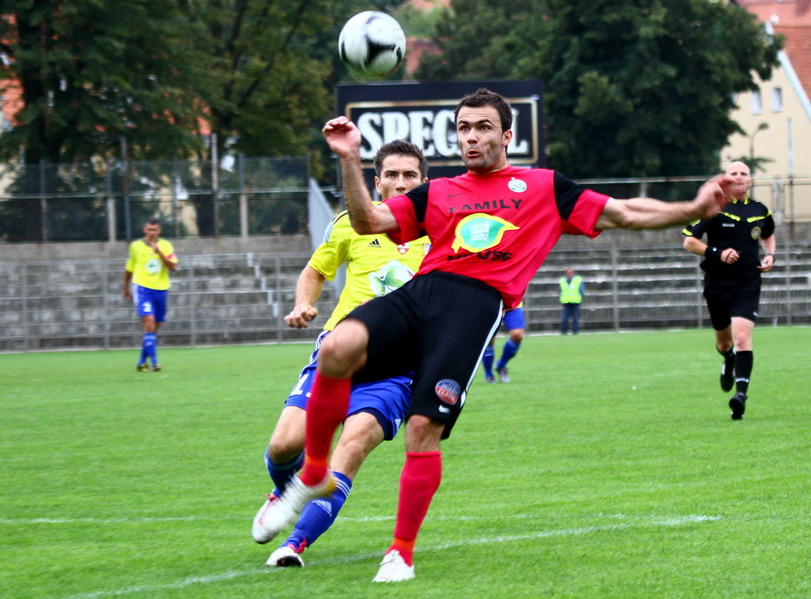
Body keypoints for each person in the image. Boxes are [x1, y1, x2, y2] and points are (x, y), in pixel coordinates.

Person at [253, 88, 735, 582]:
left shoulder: (545, 187)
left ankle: (400, 552)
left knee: (423, 430)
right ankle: (313, 471)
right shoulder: (439, 191)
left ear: (506, 135)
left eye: (482, 127)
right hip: (423, 292)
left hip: (475, 305)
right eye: (463, 128)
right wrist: (350, 158)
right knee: (336, 346)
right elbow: (369, 220)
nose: (471, 137)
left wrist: (690, 208)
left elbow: (625, 213)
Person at [252, 140, 430, 568]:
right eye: (392, 174)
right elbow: (316, 270)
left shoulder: (441, 231)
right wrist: (302, 303)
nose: (400, 183)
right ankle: (283, 489)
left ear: (424, 183)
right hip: (337, 353)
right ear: (377, 181)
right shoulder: (352, 222)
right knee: (283, 447)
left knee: (349, 448)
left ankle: (294, 544)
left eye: (409, 175)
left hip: (397, 369)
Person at [682, 160, 776, 420]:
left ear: (750, 180)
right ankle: (728, 359)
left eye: (743, 173)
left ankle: (741, 395)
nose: (738, 177)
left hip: (748, 282)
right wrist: (718, 253)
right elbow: (689, 242)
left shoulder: (760, 210)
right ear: (725, 179)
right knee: (725, 343)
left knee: (743, 338)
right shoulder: (712, 208)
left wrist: (770, 255)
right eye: (732, 173)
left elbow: (768, 233)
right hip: (717, 284)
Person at [123, 218, 178, 372]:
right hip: (142, 288)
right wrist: (125, 288)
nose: (152, 233)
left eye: (155, 230)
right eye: (149, 230)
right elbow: (129, 268)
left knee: (154, 327)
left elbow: (173, 267)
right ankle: (155, 362)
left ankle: (141, 361)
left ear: (159, 231)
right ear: (144, 230)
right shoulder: (135, 246)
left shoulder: (166, 245)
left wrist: (159, 252)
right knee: (149, 323)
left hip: (161, 289)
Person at [482, 303, 525, 383]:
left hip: (513, 303)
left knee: (517, 334)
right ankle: (489, 374)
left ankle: (501, 365)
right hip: (491, 302)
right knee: (489, 338)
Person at [559, 267, 585, 334]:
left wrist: (580, 297)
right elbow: (560, 291)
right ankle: (564, 332)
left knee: (575, 318)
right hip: (566, 302)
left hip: (575, 301)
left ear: (573, 273)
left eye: (570, 272)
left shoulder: (578, 279)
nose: (569, 274)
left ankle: (575, 331)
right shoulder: (562, 280)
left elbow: (582, 290)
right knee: (564, 318)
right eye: (568, 272)